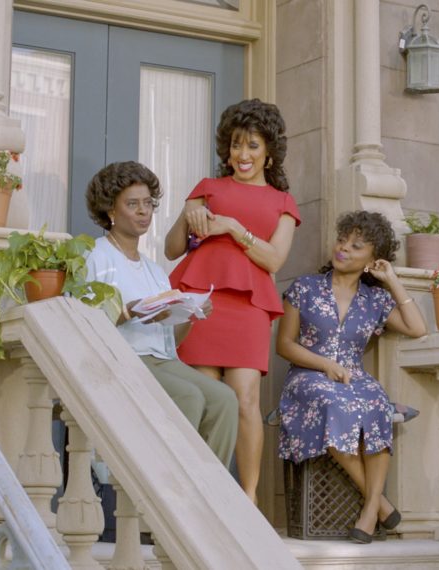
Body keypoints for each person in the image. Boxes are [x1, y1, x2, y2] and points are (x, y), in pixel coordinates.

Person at [165, 98, 300, 503]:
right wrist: (190, 218)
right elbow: (173, 249)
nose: (243, 155)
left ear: (270, 152)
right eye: (237, 144)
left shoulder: (283, 204)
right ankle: (205, 493)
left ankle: (248, 498)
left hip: (249, 307)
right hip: (201, 301)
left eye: (253, 146)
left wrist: (233, 228)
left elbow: (274, 259)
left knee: (244, 400)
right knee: (206, 398)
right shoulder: (207, 189)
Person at [276, 211, 428, 544]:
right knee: (334, 404)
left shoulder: (375, 299)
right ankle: (383, 506)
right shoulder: (305, 288)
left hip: (355, 379)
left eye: (356, 245)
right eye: (342, 240)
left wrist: (392, 280)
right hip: (307, 377)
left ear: (373, 259)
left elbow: (418, 328)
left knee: (377, 403)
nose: (343, 248)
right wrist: (324, 365)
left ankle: (372, 508)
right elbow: (284, 345)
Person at [85, 161, 238, 466]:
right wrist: (127, 311)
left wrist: (189, 314)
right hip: (124, 357)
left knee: (225, 399)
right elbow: (86, 321)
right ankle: (174, 487)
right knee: (189, 396)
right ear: (111, 212)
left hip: (164, 359)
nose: (143, 212)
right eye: (132, 204)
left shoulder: (154, 270)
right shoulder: (95, 255)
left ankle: (209, 486)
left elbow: (172, 339)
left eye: (147, 204)